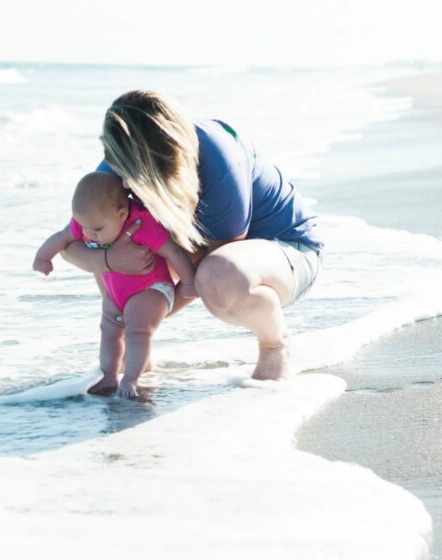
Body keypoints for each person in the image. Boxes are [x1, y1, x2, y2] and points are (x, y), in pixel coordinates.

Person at [59, 90, 323, 381]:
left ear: (153, 157)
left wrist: (142, 312)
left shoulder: (217, 155)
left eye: (129, 171)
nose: (122, 181)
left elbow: (210, 268)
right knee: (107, 234)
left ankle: (276, 344)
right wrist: (110, 259)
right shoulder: (121, 162)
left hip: (287, 254)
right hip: (206, 255)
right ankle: (138, 352)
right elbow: (72, 244)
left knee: (216, 277)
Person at [33, 172, 197, 398]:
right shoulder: (90, 221)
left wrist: (188, 283)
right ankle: (110, 375)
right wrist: (43, 257)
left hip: (152, 289)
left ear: (121, 214)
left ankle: (131, 379)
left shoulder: (142, 224)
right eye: (83, 226)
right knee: (109, 331)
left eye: (97, 230)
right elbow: (62, 237)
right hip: (116, 293)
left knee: (137, 331)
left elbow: (173, 251)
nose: (88, 234)